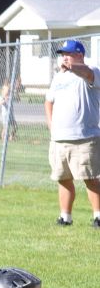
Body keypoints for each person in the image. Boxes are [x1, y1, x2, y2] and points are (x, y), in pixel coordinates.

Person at [44, 39, 100, 228]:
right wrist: (51, 124)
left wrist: (73, 68)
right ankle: (65, 217)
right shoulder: (59, 77)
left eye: (68, 54)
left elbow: (86, 73)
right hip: (59, 139)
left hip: (84, 138)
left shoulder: (91, 72)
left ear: (80, 55)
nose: (64, 57)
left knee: (90, 178)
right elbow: (49, 100)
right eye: (62, 54)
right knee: (63, 178)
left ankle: (98, 217)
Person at [0, 77, 18, 143]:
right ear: (3, 91)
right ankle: (3, 139)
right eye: (6, 90)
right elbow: (0, 103)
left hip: (11, 114)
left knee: (15, 126)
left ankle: (11, 137)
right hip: (5, 114)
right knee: (5, 128)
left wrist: (16, 93)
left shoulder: (10, 96)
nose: (7, 92)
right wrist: (4, 100)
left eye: (8, 90)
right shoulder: (2, 97)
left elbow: (17, 99)